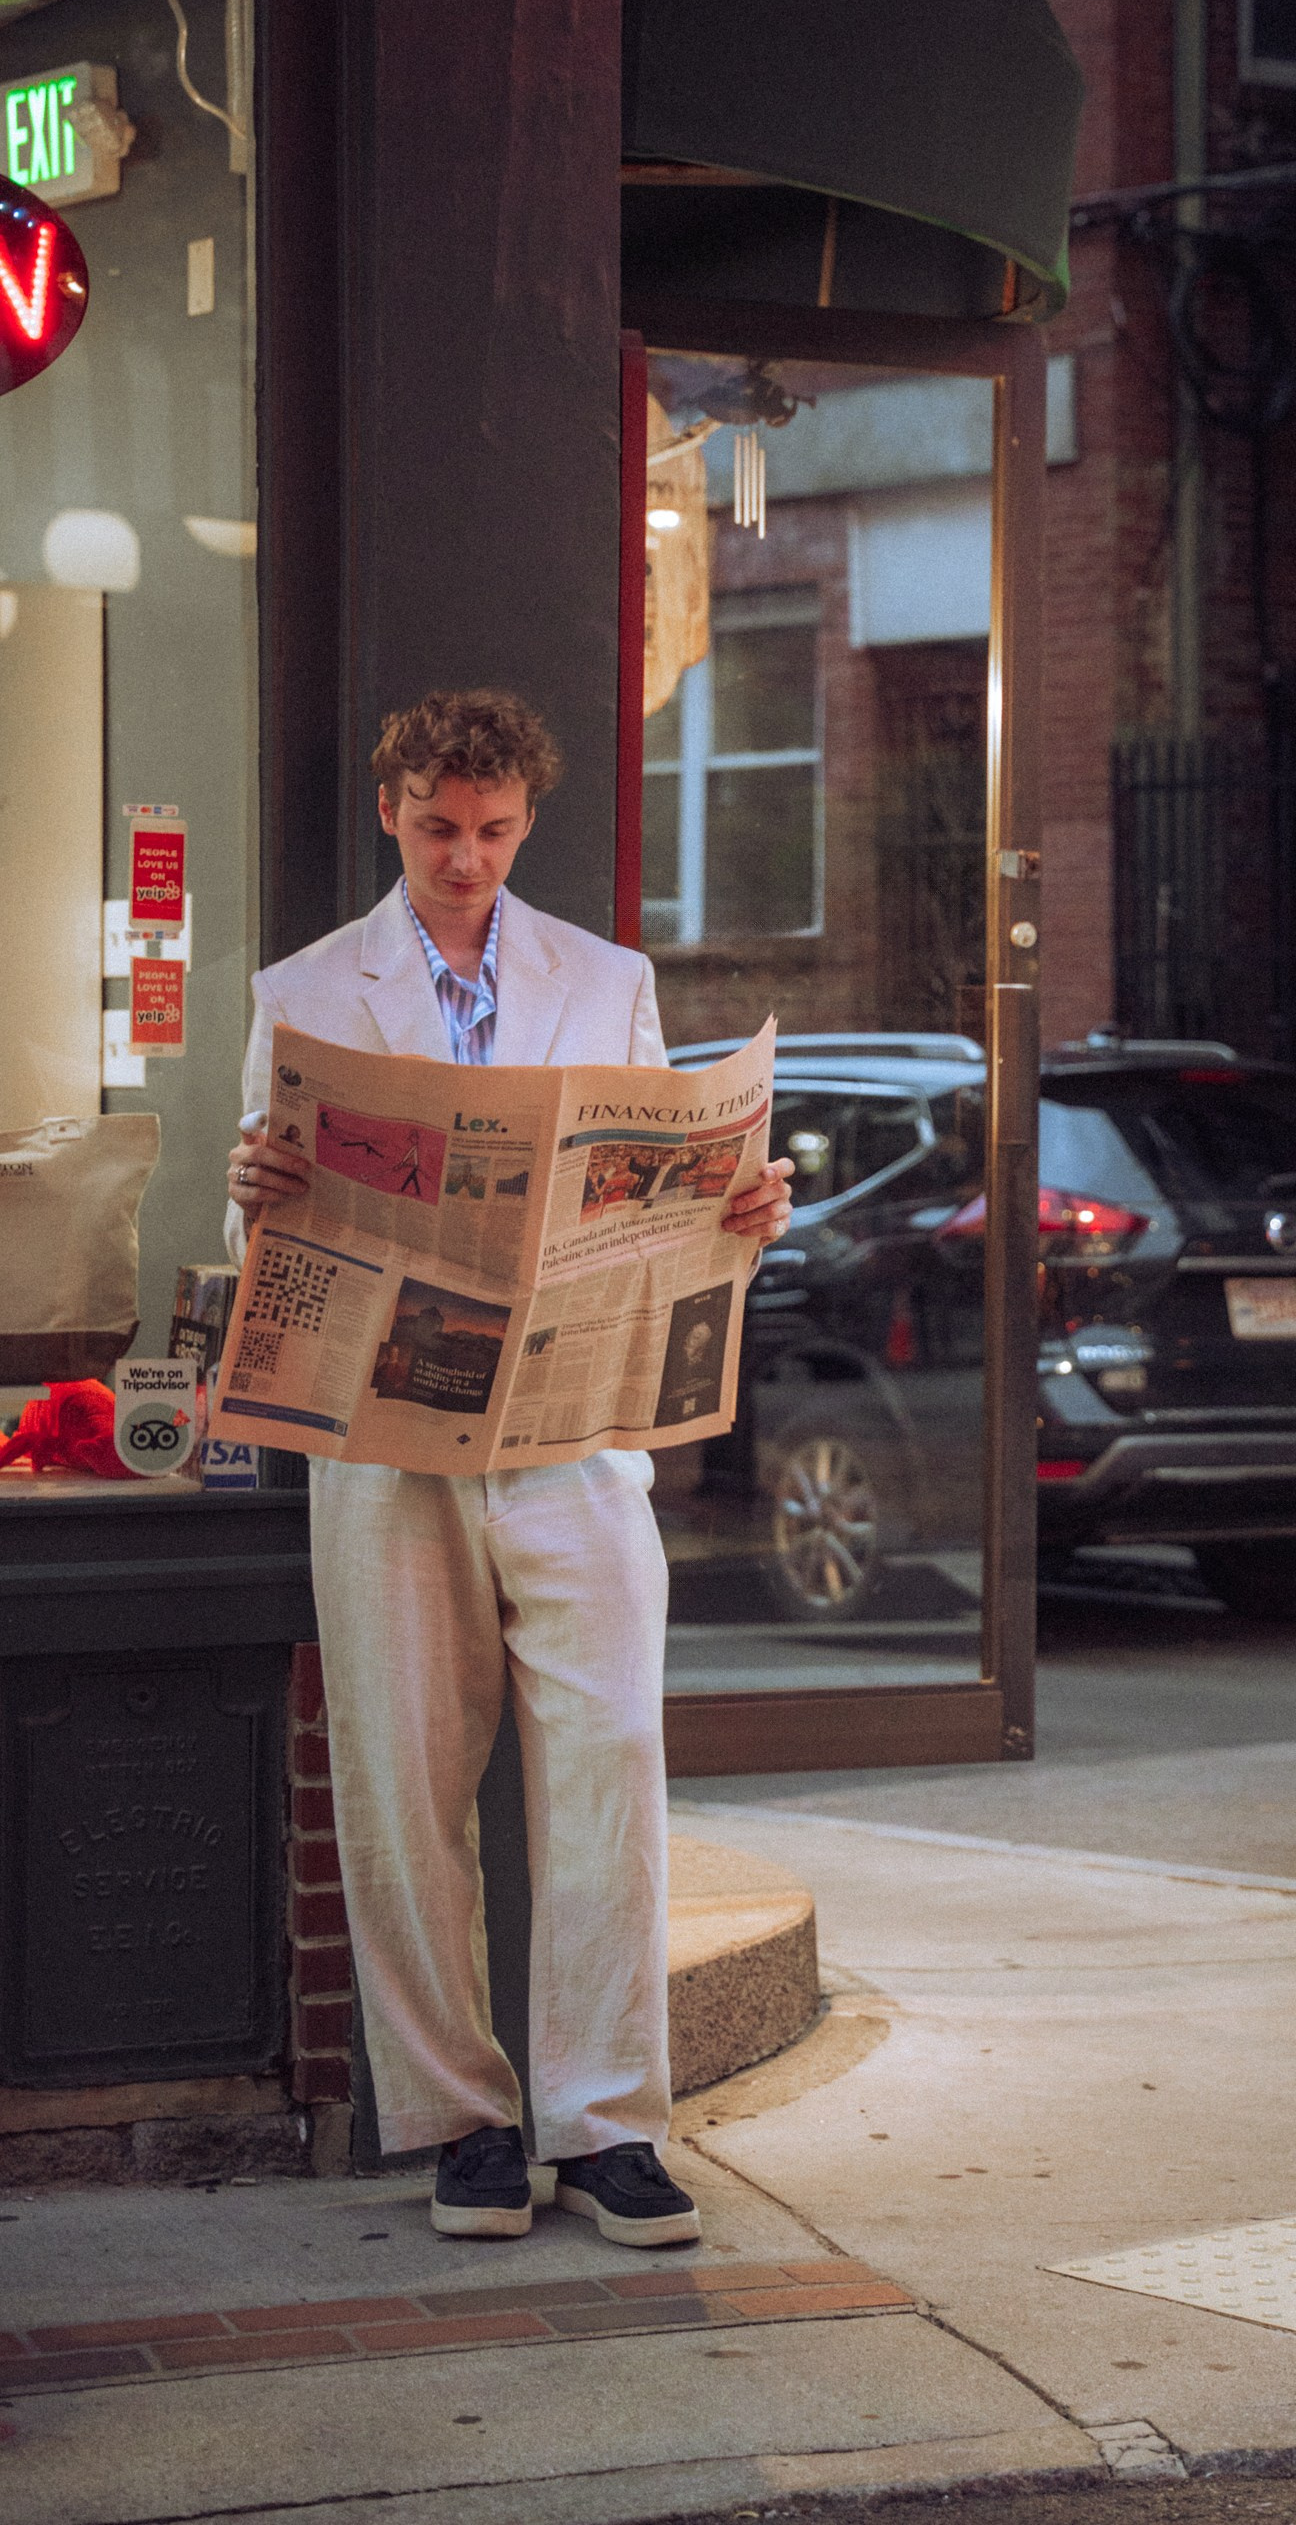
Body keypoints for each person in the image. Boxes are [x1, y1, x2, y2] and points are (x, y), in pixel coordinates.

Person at [225, 688, 792, 2249]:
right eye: (435, 831)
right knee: (406, 1778)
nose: (463, 859)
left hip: (573, 1437)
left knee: (609, 1761)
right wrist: (253, 1191)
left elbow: (667, 1193)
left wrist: (741, 1210)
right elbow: (251, 1246)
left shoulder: (606, 980)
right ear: (389, 814)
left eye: (487, 832)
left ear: (524, 822)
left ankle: (610, 2124)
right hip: (387, 1442)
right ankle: (461, 2122)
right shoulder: (303, 990)